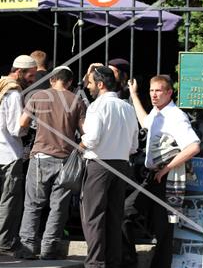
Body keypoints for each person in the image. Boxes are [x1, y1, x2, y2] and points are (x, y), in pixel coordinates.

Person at [127, 75, 200, 268]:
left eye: (158, 91)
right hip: (153, 177)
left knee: (164, 228)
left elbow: (193, 147)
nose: (154, 95)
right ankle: (129, 261)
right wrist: (134, 95)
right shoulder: (157, 113)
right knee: (126, 212)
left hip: (167, 178)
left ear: (169, 92)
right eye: (151, 91)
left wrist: (166, 168)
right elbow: (145, 123)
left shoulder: (176, 116)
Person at [16, 66, 86, 260]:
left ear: (52, 80)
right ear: (70, 82)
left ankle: (27, 247)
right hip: (66, 160)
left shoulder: (38, 97)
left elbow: (22, 123)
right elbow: (85, 130)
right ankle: (49, 248)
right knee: (59, 206)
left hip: (40, 157)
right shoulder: (77, 100)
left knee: (33, 204)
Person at [0, 55, 37, 256]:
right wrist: (27, 126)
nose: (32, 80)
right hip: (8, 153)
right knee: (9, 199)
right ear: (18, 72)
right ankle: (3, 244)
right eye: (30, 75)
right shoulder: (12, 93)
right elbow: (14, 128)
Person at [79, 66, 139, 268]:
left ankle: (95, 263)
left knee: (93, 216)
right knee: (114, 217)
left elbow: (92, 139)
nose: (88, 86)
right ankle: (113, 261)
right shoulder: (128, 107)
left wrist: (80, 144)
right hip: (122, 165)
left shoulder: (97, 106)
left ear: (101, 84)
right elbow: (134, 146)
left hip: (100, 164)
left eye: (90, 82)